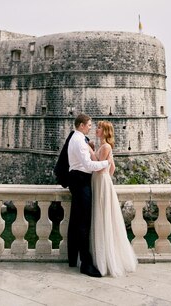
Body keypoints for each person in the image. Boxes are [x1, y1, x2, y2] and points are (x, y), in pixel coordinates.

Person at [90, 120, 138, 277]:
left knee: (102, 215)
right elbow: (113, 167)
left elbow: (101, 165)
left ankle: (104, 261)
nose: (96, 130)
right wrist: (106, 179)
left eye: (99, 128)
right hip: (102, 181)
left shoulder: (105, 147)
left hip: (100, 181)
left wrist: (90, 152)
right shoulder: (104, 147)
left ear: (104, 131)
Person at [67, 113, 110, 277]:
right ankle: (86, 263)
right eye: (90, 125)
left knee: (79, 221)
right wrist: (107, 162)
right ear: (82, 125)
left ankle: (77, 259)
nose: (91, 128)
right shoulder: (78, 141)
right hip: (80, 181)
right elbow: (88, 164)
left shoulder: (78, 139)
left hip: (79, 180)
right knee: (83, 222)